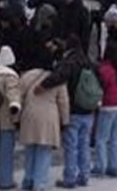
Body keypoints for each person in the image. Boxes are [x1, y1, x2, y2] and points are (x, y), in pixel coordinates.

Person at [17, 40, 71, 191]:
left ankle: (27, 180)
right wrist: (65, 121)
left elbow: (19, 96)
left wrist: (16, 118)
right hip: (49, 118)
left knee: (30, 150)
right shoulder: (56, 78)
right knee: (44, 151)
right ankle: (39, 183)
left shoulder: (28, 76)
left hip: (29, 116)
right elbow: (63, 102)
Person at [57, 35, 100, 188]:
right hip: (88, 109)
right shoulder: (89, 62)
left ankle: (69, 177)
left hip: (73, 109)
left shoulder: (69, 62)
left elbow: (59, 78)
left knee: (71, 146)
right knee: (84, 144)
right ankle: (84, 176)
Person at [94, 40, 117, 178]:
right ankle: (114, 166)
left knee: (101, 138)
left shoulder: (104, 69)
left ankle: (100, 166)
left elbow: (100, 88)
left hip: (108, 106)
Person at [0, 47, 24, 190]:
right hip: (6, 120)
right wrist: (15, 110)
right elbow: (13, 94)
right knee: (6, 153)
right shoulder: (11, 77)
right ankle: (5, 181)